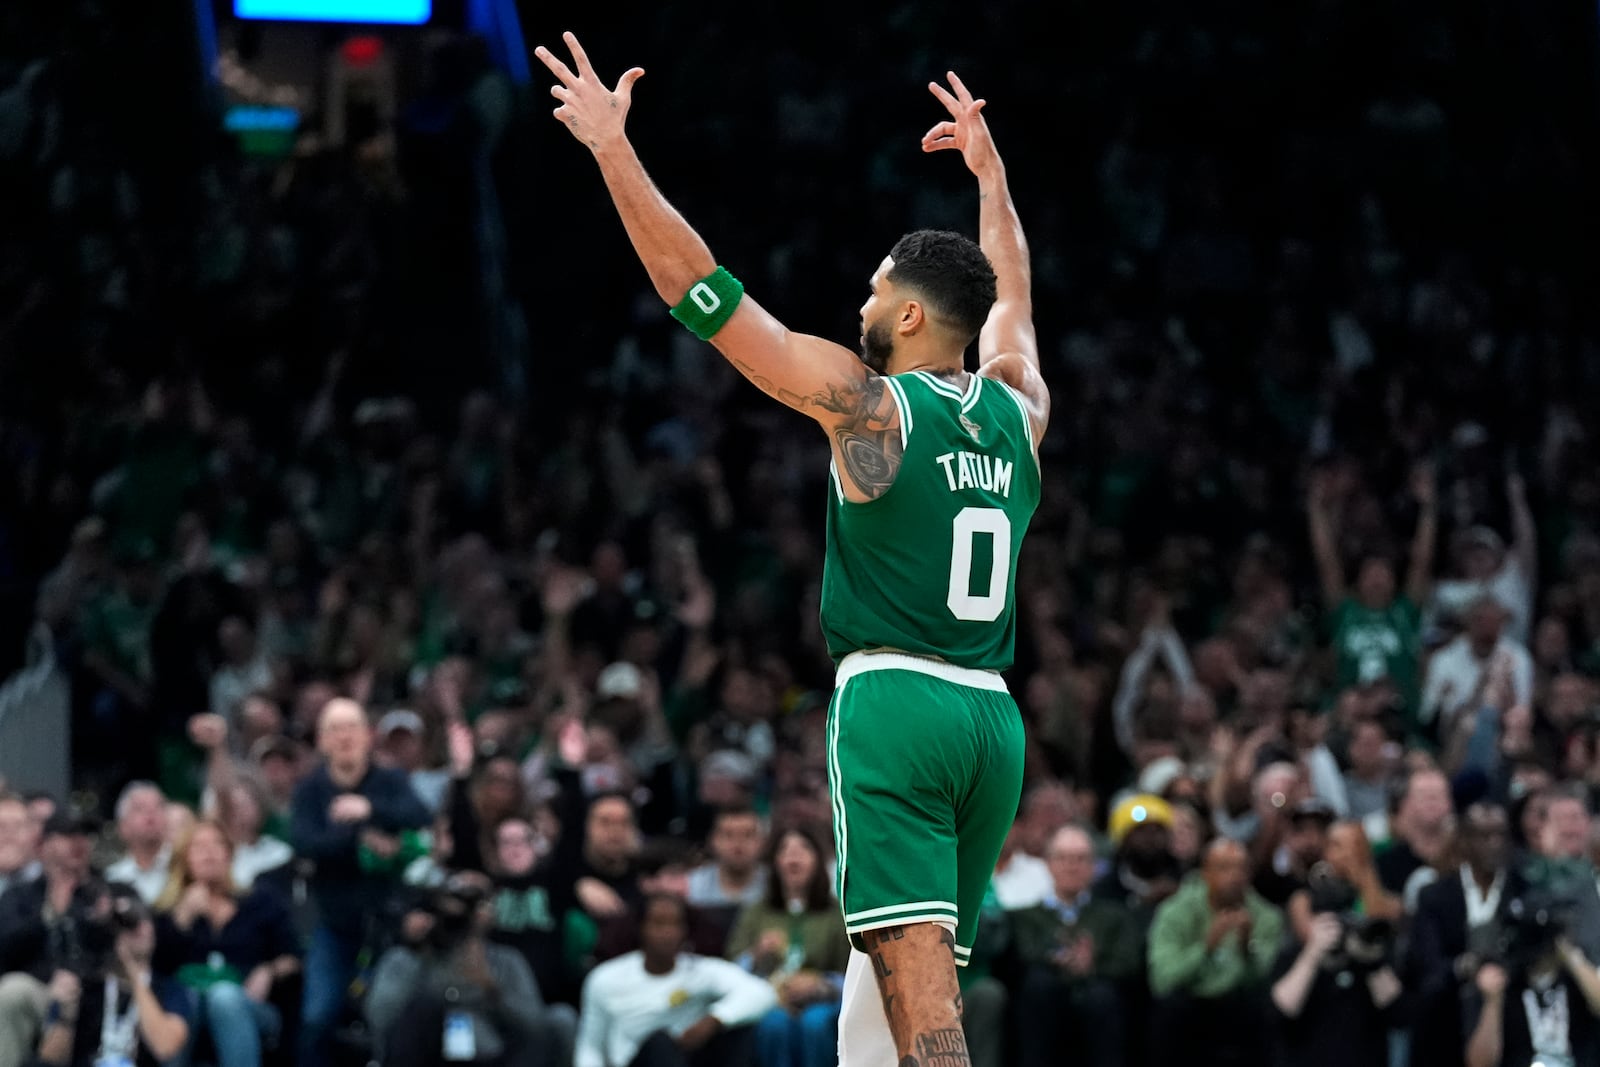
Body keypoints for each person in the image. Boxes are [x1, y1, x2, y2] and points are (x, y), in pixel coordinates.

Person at [537, 34, 1046, 1067]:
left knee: (920, 999)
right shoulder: (1018, 406)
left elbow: (704, 295)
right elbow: (1015, 302)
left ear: (908, 315)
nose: (858, 305)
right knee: (878, 1011)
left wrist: (611, 153)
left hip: (898, 701)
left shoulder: (872, 408)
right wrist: (992, 181)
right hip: (992, 719)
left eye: (871, 291)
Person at [290, 697, 430, 1067]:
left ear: (368, 736)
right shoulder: (309, 791)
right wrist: (361, 839)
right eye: (334, 729)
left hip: (390, 924)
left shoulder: (389, 781)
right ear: (321, 741)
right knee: (317, 1017)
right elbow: (306, 844)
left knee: (391, 1017)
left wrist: (369, 810)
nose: (344, 736)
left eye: (351, 726)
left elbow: (420, 815)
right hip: (334, 924)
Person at [151, 820, 301, 1067]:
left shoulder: (260, 901)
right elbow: (156, 969)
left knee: (224, 997)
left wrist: (268, 970)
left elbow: (293, 957)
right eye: (199, 847)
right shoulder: (166, 914)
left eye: (217, 845)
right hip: (187, 1008)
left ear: (230, 854)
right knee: (183, 1000)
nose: (209, 853)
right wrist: (183, 917)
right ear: (184, 859)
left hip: (251, 1006)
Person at [575, 893, 776, 1067]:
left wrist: (715, 1020)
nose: (667, 933)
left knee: (739, 1031)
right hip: (634, 1061)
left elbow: (762, 993)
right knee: (660, 1043)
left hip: (687, 1059)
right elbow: (590, 1047)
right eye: (658, 923)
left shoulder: (701, 970)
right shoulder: (605, 978)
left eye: (675, 924)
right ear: (641, 928)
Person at [1146, 837, 1285, 1067]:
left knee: (1265, 1009)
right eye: (1224, 868)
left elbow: (1264, 979)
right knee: (1170, 1008)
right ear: (1205, 873)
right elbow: (1162, 980)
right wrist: (1206, 947)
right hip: (1191, 1007)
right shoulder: (1176, 911)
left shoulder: (1265, 916)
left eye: (1241, 868)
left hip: (1239, 1010)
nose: (1235, 876)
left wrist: (1245, 948)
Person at [1010, 825, 1139, 1067]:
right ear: (1048, 864)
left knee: (1103, 997)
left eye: (1080, 859)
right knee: (1038, 986)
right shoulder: (1025, 916)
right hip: (1045, 1002)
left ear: (1093, 866)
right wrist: (1059, 960)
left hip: (1098, 1003)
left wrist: (1092, 966)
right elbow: (1023, 955)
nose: (1072, 865)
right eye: (1063, 858)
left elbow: (1128, 963)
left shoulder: (1115, 916)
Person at [726, 828, 849, 1067]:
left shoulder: (835, 914)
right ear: (774, 863)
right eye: (785, 850)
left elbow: (852, 975)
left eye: (803, 848)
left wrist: (820, 984)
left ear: (818, 861)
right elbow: (729, 972)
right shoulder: (756, 912)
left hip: (822, 1002)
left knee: (815, 1024)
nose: (794, 856)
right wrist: (756, 954)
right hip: (770, 998)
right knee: (774, 1024)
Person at [31, 885, 190, 1067]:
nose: (136, 929)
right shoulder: (87, 986)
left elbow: (165, 1046)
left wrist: (132, 970)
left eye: (141, 918)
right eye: (125, 924)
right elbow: (49, 1061)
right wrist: (66, 1016)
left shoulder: (169, 988)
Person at [105, 781, 173, 906]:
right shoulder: (112, 879)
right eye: (139, 808)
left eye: (158, 806)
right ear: (122, 827)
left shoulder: (184, 867)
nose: (150, 814)